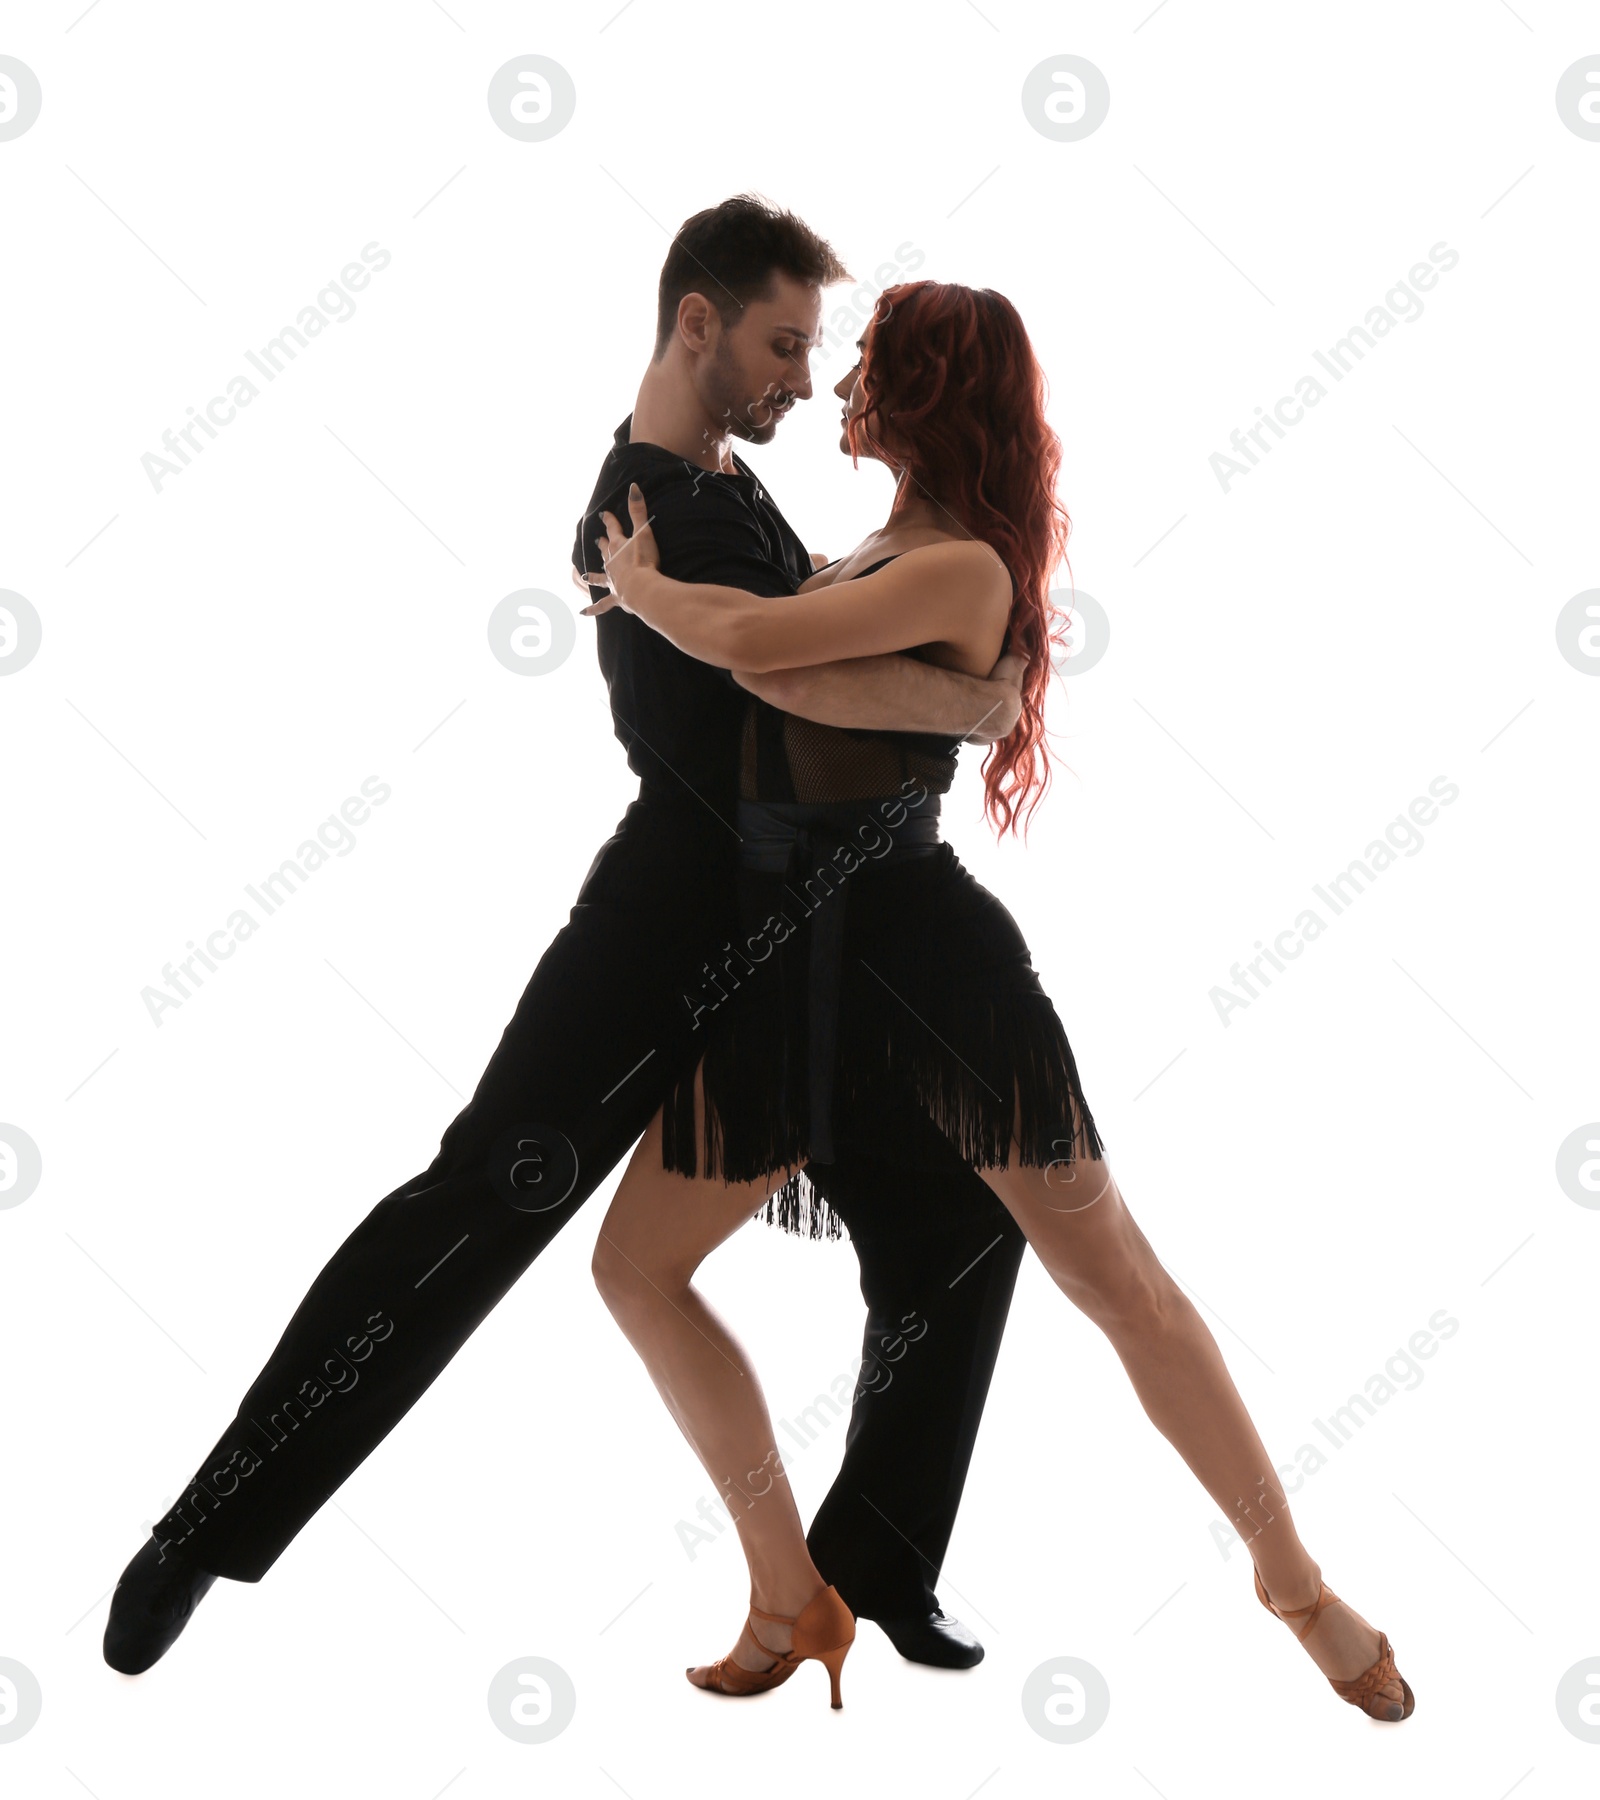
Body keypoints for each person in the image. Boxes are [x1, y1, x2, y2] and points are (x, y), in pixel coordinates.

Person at [102, 197, 1038, 1676]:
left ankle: (860, 1575)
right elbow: (774, 706)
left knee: (958, 1227)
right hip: (667, 921)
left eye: (814, 348)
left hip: (800, 928)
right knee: (477, 1207)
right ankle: (200, 1535)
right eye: (785, 342)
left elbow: (797, 672)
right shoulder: (642, 510)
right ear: (696, 322)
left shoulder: (727, 489)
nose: (807, 374)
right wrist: (962, 706)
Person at [581, 278, 1416, 1723]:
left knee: (1122, 1286)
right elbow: (802, 692)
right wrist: (947, 703)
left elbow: (770, 658)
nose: (840, 387)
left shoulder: (961, 564)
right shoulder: (874, 547)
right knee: (634, 1264)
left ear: (921, 397)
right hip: (790, 952)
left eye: (871, 370)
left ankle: (1297, 1582)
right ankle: (795, 1589)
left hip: (922, 959)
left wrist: (647, 594)